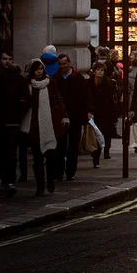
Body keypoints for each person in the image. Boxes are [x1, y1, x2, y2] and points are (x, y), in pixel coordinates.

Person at [0, 52, 29, 196]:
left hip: (12, 121)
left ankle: (10, 181)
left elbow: (27, 99)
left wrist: (19, 111)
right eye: (4, 59)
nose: (7, 62)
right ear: (0, 60)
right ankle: (4, 181)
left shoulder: (18, 78)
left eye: (9, 59)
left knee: (10, 153)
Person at [21, 60, 67, 196]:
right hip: (35, 126)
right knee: (37, 159)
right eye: (36, 69)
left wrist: (64, 115)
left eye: (41, 69)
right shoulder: (28, 85)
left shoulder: (50, 83)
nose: (39, 71)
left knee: (51, 156)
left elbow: (58, 101)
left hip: (49, 124)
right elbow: (25, 104)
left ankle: (50, 180)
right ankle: (40, 187)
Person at [54, 54, 89, 182]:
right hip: (61, 118)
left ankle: (70, 173)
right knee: (60, 146)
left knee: (73, 147)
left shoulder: (77, 78)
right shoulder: (56, 78)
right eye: (60, 64)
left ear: (69, 63)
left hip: (75, 117)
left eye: (64, 63)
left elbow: (84, 99)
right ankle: (59, 173)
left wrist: (85, 117)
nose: (62, 66)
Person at [88, 61, 118, 167]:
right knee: (96, 136)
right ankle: (95, 157)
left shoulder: (109, 83)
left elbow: (112, 101)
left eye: (102, 70)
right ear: (94, 71)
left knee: (106, 134)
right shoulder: (89, 83)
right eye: (98, 70)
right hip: (94, 113)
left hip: (106, 112)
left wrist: (114, 117)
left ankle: (106, 151)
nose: (100, 72)